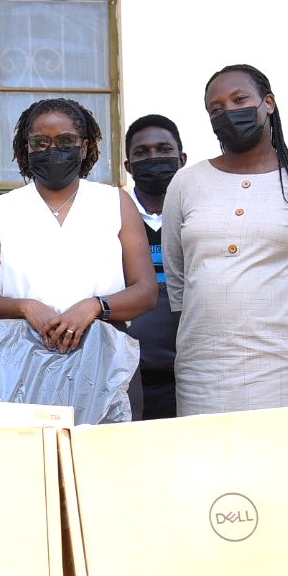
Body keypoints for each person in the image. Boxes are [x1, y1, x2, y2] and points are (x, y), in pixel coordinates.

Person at [162, 64, 288, 415]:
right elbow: (179, 280)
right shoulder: (186, 184)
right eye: (216, 109)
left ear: (269, 103)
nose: (228, 112)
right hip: (206, 374)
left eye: (239, 99)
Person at [0, 99, 157, 365]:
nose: (53, 149)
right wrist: (26, 306)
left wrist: (94, 306)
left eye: (66, 141)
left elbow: (146, 291)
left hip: (107, 362)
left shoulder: (115, 202)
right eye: (40, 142)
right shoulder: (3, 209)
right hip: (21, 364)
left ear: (85, 146)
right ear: (27, 147)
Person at [122, 114, 188, 419]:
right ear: (128, 166)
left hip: (192, 371)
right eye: (142, 153)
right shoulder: (110, 218)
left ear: (182, 158)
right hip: (126, 373)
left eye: (164, 149)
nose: (154, 158)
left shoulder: (201, 219)